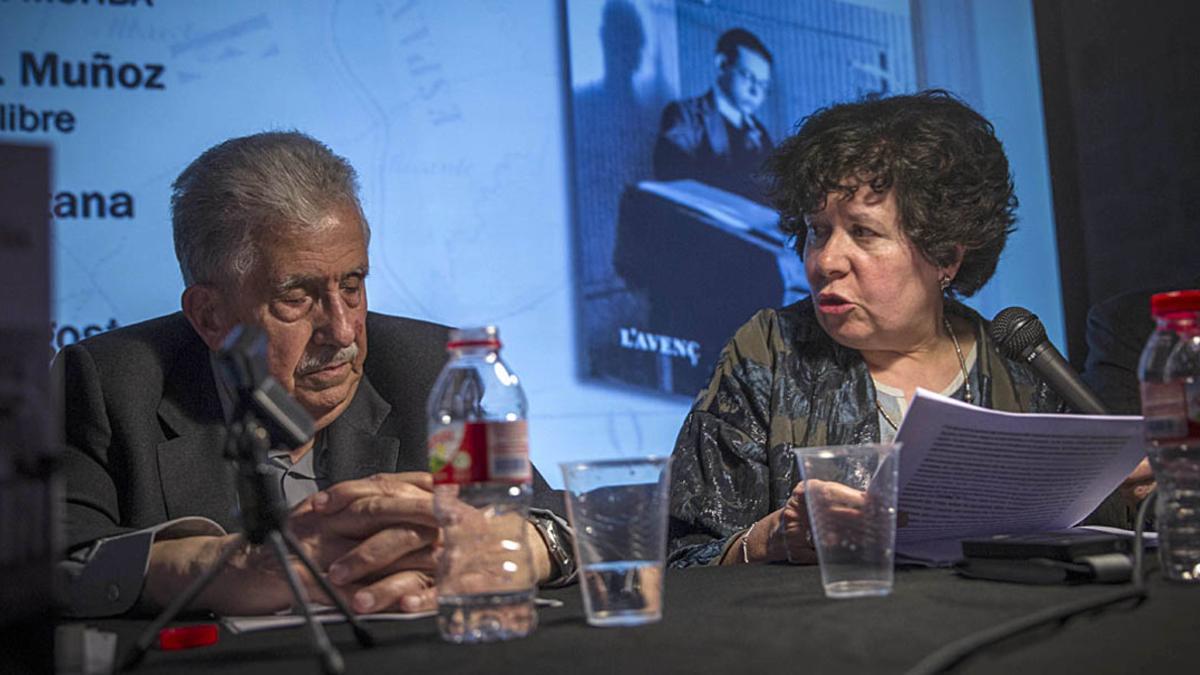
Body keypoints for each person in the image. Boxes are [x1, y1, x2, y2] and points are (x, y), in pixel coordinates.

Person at [55, 131, 575, 617]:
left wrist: (519, 548)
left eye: (353, 285)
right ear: (210, 317)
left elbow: (561, 519)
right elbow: (45, 565)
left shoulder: (429, 367)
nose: (344, 331)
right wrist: (217, 566)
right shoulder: (109, 384)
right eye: (296, 298)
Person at [667, 90, 1148, 568]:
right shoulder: (769, 350)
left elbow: (1089, 543)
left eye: (864, 232)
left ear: (946, 255)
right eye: (818, 229)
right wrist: (767, 541)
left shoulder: (1019, 373)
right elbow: (680, 558)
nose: (826, 261)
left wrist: (1130, 497)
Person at [652, 27, 774, 202]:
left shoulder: (760, 133)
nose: (756, 92)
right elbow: (672, 176)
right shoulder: (685, 116)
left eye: (763, 84)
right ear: (722, 64)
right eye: (748, 76)